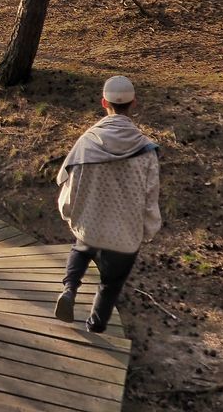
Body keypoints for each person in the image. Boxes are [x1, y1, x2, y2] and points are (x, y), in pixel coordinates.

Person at [53, 75, 161, 334]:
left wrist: (70, 216)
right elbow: (150, 196)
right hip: (125, 234)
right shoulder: (146, 150)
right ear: (134, 104)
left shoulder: (87, 143)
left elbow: (70, 185)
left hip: (91, 225)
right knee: (111, 283)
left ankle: (69, 288)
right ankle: (96, 325)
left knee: (81, 245)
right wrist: (147, 231)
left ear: (104, 102)